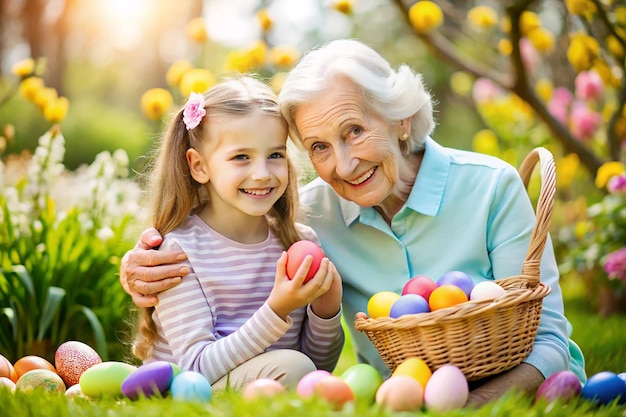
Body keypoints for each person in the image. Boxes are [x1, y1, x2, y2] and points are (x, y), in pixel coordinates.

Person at [121, 40, 586, 406]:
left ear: (400, 119)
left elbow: (549, 339)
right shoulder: (310, 216)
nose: (343, 166)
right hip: (394, 398)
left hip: (502, 385)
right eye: (319, 146)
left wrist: (468, 406)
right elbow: (214, 236)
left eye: (355, 131)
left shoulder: (492, 189)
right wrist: (139, 265)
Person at [128, 76, 344, 390]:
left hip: (266, 383)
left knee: (299, 369)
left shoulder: (298, 243)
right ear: (199, 166)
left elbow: (316, 370)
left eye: (275, 155)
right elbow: (196, 368)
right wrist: (277, 308)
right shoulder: (178, 251)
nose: (262, 174)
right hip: (187, 392)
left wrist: (326, 311)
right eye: (241, 157)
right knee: (292, 367)